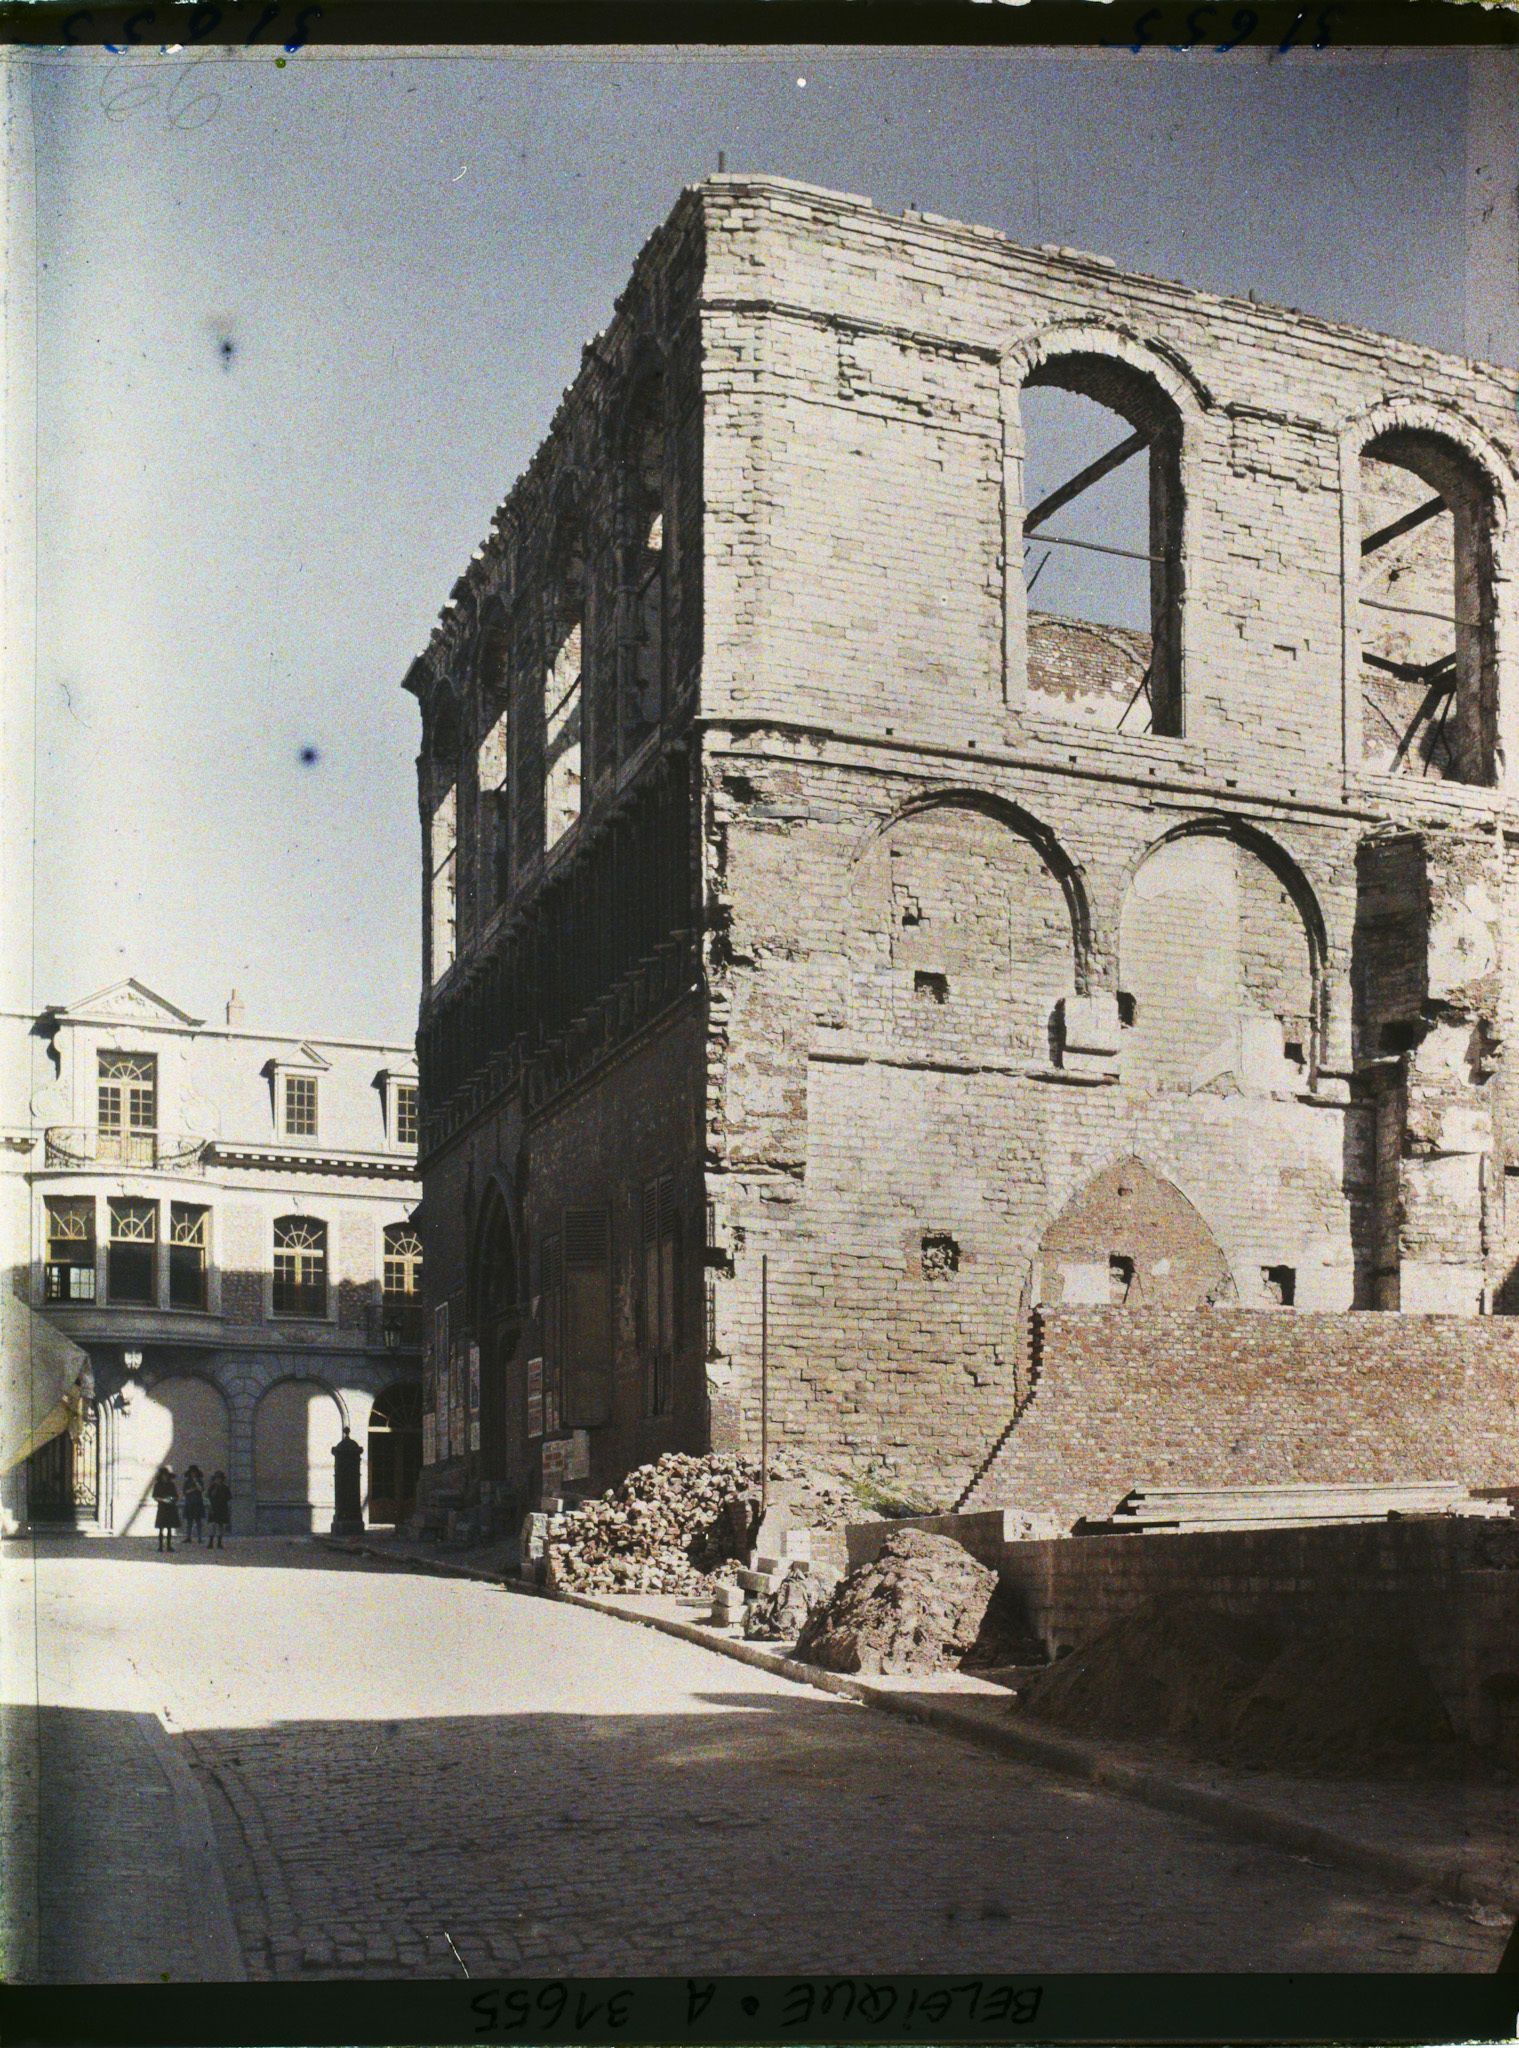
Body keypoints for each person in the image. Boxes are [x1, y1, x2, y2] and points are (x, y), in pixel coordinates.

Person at [152, 1465, 180, 1553]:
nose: (165, 1477)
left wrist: (169, 1500)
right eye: (163, 1475)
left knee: (169, 1528)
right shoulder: (157, 1485)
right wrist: (162, 1500)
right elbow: (155, 1496)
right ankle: (160, 1546)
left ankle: (169, 1546)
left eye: (166, 1475)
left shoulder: (171, 1485)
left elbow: (175, 1496)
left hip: (170, 1507)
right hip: (162, 1508)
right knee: (161, 1528)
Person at [206, 1470, 232, 1550]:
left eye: (220, 1478)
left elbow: (229, 1499)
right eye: (217, 1478)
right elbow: (207, 1497)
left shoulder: (225, 1488)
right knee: (212, 1525)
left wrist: (229, 1510)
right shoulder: (212, 1487)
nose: (218, 1480)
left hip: (222, 1508)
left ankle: (219, 1543)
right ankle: (210, 1542)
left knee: (221, 1526)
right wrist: (209, 1506)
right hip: (213, 1508)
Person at [182, 1465, 206, 1545]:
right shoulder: (187, 1482)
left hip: (198, 1502)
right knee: (189, 1521)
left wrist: (196, 1483)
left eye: (194, 1472)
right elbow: (185, 1492)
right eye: (192, 1472)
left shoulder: (199, 1481)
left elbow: (201, 1489)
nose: (193, 1474)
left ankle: (199, 1537)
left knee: (198, 1521)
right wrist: (193, 1489)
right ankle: (188, 1537)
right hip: (189, 1502)